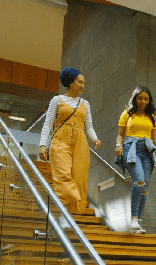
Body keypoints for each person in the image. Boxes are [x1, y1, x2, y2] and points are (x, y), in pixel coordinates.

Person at [38, 67, 100, 229]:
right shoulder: (56, 100)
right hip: (60, 141)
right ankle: (66, 211)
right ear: (70, 82)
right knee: (63, 175)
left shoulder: (85, 104)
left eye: (84, 83)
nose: (82, 85)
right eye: (80, 82)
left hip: (80, 143)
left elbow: (89, 127)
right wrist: (42, 144)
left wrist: (95, 139)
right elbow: (48, 124)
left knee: (79, 180)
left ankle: (68, 215)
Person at [115, 86, 156, 234]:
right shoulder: (127, 114)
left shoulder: (152, 117)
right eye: (140, 98)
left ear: (149, 100)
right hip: (131, 149)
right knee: (139, 181)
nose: (143, 101)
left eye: (146, 99)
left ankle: (138, 222)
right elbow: (121, 134)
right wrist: (118, 146)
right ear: (135, 98)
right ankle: (133, 218)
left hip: (147, 151)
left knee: (145, 188)